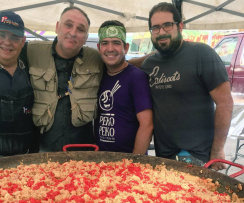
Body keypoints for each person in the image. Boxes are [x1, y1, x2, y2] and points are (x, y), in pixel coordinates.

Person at [141, 2, 234, 171]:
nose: (161, 32)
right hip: (164, 155)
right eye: (155, 28)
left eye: (167, 25)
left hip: (198, 155)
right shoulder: (149, 64)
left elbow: (225, 103)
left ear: (180, 26)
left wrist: (218, 149)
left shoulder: (202, 54)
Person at [23, 7, 103, 152]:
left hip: (82, 154)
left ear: (85, 37)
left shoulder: (97, 59)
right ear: (57, 27)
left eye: (80, 29)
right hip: (40, 153)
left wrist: (152, 59)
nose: (73, 33)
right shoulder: (32, 51)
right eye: (68, 25)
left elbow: (121, 65)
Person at [95, 20, 153, 154]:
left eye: (116, 43)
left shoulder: (136, 77)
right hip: (101, 160)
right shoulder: (98, 75)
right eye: (105, 43)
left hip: (128, 162)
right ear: (99, 48)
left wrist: (134, 163)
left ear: (126, 47)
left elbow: (147, 125)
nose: (110, 48)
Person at [0, 11, 38, 156]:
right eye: (2, 35)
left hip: (26, 158)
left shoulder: (31, 68)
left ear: (23, 41)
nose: (7, 42)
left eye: (14, 37)